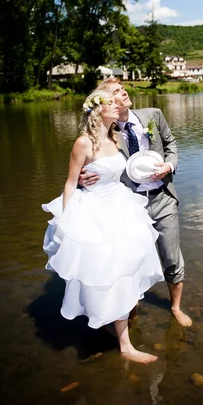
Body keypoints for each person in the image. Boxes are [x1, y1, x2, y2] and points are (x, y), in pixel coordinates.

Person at [42, 89, 164, 364]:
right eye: (110, 103)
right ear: (97, 110)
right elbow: (71, 182)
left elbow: (123, 168)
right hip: (95, 213)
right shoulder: (84, 143)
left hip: (120, 207)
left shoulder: (115, 137)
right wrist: (67, 219)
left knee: (125, 271)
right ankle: (123, 344)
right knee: (106, 274)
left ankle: (121, 335)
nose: (117, 105)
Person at [79, 77, 192, 327]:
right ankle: (131, 312)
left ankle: (175, 307)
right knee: (130, 262)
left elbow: (171, 143)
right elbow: (91, 162)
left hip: (163, 198)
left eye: (123, 89)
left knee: (171, 258)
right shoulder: (105, 132)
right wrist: (84, 178)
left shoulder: (153, 114)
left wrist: (169, 165)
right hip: (129, 205)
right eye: (117, 92)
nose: (124, 93)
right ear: (107, 103)